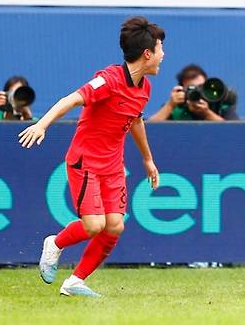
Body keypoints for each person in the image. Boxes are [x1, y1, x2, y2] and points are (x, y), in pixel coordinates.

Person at [18, 16, 165, 297]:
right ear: (148, 54)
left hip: (112, 165)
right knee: (94, 225)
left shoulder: (144, 88)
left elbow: (135, 121)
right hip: (85, 162)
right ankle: (56, 244)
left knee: (115, 225)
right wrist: (41, 125)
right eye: (160, 49)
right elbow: (70, 100)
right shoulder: (108, 80)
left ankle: (75, 281)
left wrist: (147, 159)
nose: (163, 55)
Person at [148, 64, 239, 121]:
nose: (198, 91)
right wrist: (170, 105)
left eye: (201, 87)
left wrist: (207, 114)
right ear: (182, 89)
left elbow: (236, 132)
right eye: (191, 88)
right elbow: (149, 130)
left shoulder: (220, 106)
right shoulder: (175, 109)